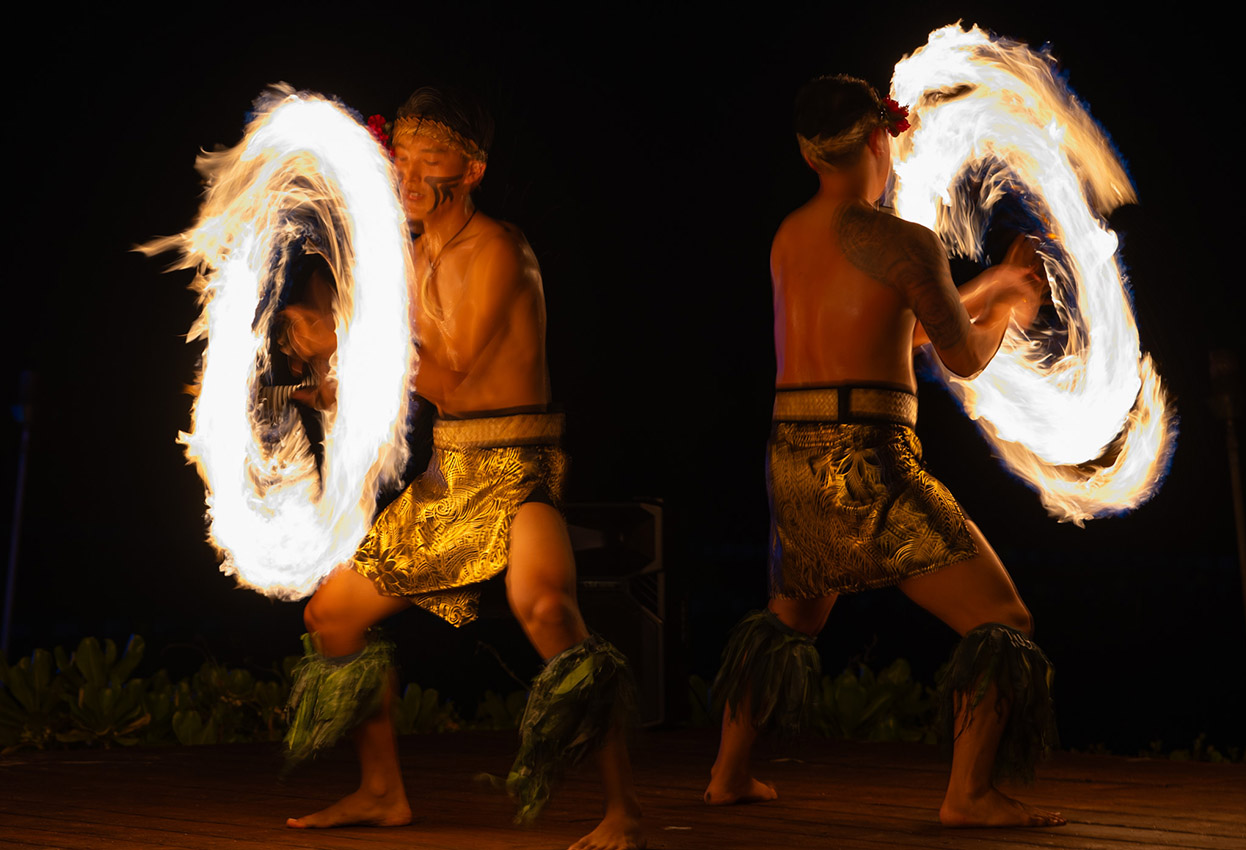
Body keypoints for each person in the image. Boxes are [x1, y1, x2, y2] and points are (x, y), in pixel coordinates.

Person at [278, 86, 645, 850]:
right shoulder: (410, 257)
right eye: (400, 156)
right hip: (452, 472)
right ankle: (382, 792)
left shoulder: (499, 251)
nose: (406, 174)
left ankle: (622, 811)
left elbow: (449, 378)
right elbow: (405, 384)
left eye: (429, 158)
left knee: (547, 611)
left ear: (472, 170)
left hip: (520, 473)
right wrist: (315, 384)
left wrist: (350, 344)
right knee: (332, 616)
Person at [703, 75, 1064, 829]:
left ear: (811, 154)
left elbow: (901, 326)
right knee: (1003, 620)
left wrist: (991, 282)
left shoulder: (789, 237)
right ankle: (968, 796)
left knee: (791, 617)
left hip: (792, 458)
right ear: (879, 139)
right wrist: (1006, 309)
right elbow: (959, 359)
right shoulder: (904, 242)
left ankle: (727, 775)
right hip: (868, 462)